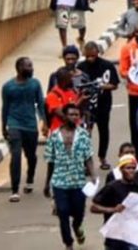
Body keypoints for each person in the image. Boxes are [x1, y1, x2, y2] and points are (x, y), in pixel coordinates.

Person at [45, 103, 92, 249]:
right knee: (63, 212)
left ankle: (77, 227)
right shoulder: (54, 135)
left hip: (78, 181)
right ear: (65, 116)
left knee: (78, 212)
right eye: (71, 114)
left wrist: (94, 175)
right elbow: (50, 161)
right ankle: (68, 242)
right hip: (60, 181)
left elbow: (88, 157)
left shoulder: (83, 135)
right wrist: (47, 183)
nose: (74, 117)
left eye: (76, 115)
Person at [2, 57, 46, 202]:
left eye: (31, 66)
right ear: (19, 68)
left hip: (30, 126)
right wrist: (4, 126)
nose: (31, 68)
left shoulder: (35, 84)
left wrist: (44, 122)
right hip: (14, 124)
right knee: (15, 155)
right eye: (28, 66)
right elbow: (5, 108)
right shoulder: (8, 87)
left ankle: (30, 178)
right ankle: (15, 190)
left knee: (31, 156)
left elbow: (40, 103)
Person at [77, 42, 120, 169]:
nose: (90, 58)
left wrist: (100, 86)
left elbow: (114, 84)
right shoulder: (81, 67)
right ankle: (85, 160)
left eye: (92, 55)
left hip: (103, 104)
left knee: (103, 130)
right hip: (86, 105)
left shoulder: (107, 65)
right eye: (88, 56)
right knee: (86, 133)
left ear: (97, 53)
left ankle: (102, 157)